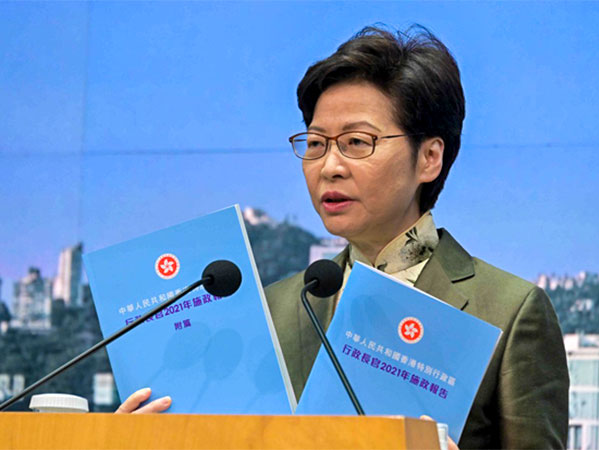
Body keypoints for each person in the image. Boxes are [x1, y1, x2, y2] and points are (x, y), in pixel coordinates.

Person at [118, 25, 569, 449]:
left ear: (429, 157)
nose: (329, 166)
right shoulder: (277, 309)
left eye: (356, 142)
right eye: (316, 144)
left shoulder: (509, 312)